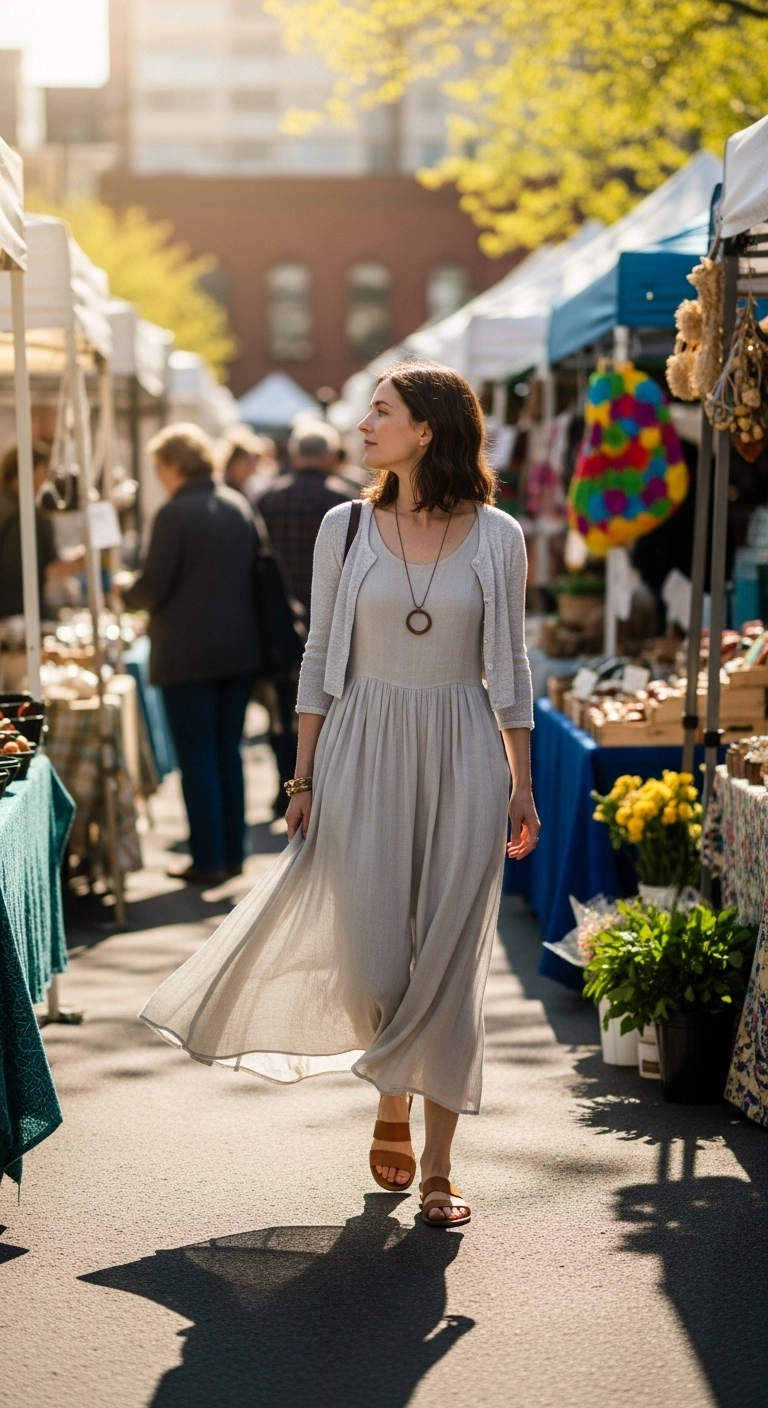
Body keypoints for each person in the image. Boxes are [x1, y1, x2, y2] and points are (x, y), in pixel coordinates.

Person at [140, 362, 540, 1227]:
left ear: (426, 430)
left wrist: (523, 783)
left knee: (449, 955)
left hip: (466, 749)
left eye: (380, 412)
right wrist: (304, 775)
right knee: (373, 957)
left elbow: (509, 662)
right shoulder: (345, 526)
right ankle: (393, 1088)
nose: (363, 426)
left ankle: (440, 1166)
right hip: (361, 744)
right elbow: (319, 654)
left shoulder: (499, 534)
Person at [121, 424, 262, 885]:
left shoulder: (174, 513)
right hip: (240, 651)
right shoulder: (237, 503)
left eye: (159, 467)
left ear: (173, 465)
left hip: (188, 655)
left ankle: (208, 859)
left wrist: (124, 591)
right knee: (227, 753)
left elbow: (151, 587)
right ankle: (232, 853)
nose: (158, 476)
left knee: (199, 757)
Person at [258, 423, 354, 618]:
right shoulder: (344, 499)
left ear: (294, 455)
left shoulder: (269, 498)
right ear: (329, 456)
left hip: (279, 602)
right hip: (330, 604)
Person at [0, 443, 85, 619]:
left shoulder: (9, 506)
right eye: (43, 472)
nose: (47, 481)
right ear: (27, 472)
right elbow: (24, 571)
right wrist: (81, 561)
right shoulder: (22, 515)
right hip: (18, 613)